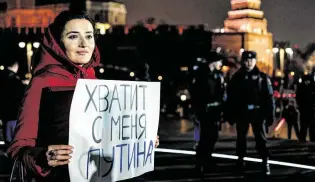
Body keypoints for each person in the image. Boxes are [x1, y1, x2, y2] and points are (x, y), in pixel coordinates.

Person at [7, 10, 159, 181]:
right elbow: (18, 148)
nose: (83, 44)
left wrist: (139, 139)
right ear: (57, 42)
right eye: (73, 36)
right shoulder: (42, 82)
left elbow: (107, 137)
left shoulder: (95, 81)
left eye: (89, 36)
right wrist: (43, 157)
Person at [225, 51, 274, 176]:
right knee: (241, 138)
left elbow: (269, 97)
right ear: (243, 61)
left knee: (261, 139)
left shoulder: (262, 77)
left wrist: (270, 115)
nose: (249, 63)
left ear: (255, 61)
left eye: (252, 60)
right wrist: (229, 114)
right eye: (247, 60)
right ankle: (240, 160)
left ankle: (265, 161)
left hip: (258, 112)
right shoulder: (237, 78)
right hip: (242, 112)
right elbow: (231, 98)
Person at [190, 51, 225, 174]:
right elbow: (196, 93)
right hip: (204, 111)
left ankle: (206, 160)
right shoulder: (201, 74)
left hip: (215, 111)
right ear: (213, 62)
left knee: (212, 137)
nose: (221, 64)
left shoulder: (218, 75)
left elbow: (221, 93)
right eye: (219, 61)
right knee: (205, 137)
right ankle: (201, 163)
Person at [0, 58, 26, 146]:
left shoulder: (2, 76)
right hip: (14, 113)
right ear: (15, 66)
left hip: (5, 113)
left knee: (8, 138)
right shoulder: (13, 79)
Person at [296, 74, 315, 142]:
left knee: (312, 125)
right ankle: (302, 138)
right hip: (303, 108)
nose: (307, 82)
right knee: (304, 125)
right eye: (306, 81)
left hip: (311, 108)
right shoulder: (301, 87)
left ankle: (312, 138)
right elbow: (298, 97)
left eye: (308, 81)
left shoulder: (313, 87)